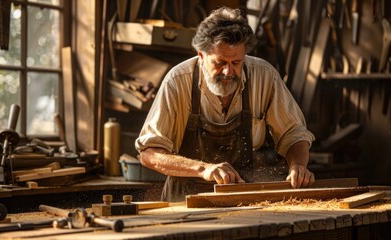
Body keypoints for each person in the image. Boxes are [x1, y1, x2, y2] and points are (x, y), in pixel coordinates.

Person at [135, 6, 315, 202]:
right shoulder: (178, 81)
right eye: (220, 63)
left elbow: (294, 134)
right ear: (201, 55)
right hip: (184, 202)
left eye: (236, 63)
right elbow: (149, 153)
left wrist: (298, 165)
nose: (229, 72)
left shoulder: (265, 76)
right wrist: (204, 169)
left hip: (242, 199)